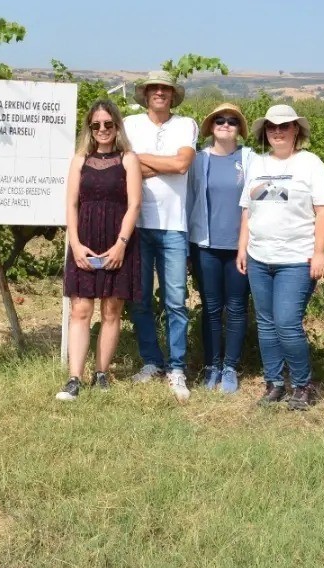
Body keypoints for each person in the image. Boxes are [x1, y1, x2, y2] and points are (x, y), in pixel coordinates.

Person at [236, 104, 324, 411]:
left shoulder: (310, 164)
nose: (277, 132)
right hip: (259, 257)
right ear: (265, 132)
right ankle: (274, 383)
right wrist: (243, 248)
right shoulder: (257, 164)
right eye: (272, 127)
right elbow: (247, 210)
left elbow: (323, 210)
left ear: (296, 131)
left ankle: (303, 385)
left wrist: (319, 253)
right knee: (266, 323)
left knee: (288, 323)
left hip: (295, 259)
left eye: (284, 126)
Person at [57, 100, 143, 401]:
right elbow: (70, 204)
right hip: (85, 239)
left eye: (108, 124)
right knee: (80, 309)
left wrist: (121, 244)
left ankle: (102, 373)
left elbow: (134, 204)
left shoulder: (128, 159)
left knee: (111, 310)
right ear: (89, 129)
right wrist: (76, 245)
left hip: (118, 241)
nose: (103, 129)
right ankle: (74, 378)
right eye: (96, 125)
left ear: (117, 125)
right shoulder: (80, 160)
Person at [122, 70, 198, 403]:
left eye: (165, 89)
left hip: (173, 225)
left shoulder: (186, 125)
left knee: (175, 301)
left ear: (172, 95)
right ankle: (152, 360)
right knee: (139, 300)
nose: (159, 93)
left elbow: (182, 164)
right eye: (154, 88)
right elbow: (122, 164)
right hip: (135, 224)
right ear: (146, 94)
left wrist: (138, 161)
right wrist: (151, 164)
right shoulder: (128, 124)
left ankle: (177, 367)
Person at [186, 102, 253, 395]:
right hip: (206, 246)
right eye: (219, 121)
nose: (225, 125)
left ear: (239, 129)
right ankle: (212, 365)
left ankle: (230, 367)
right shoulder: (198, 160)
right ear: (211, 127)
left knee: (237, 308)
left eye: (232, 121)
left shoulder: (250, 159)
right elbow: (189, 200)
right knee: (211, 308)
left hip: (240, 247)